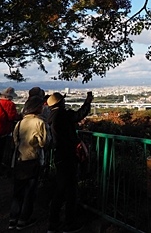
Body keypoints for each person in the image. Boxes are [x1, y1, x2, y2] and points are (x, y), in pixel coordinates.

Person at [46, 91, 93, 233]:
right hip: (68, 155)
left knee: (60, 190)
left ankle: (53, 223)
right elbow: (79, 115)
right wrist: (88, 101)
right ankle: (70, 223)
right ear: (60, 103)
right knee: (71, 190)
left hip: (59, 155)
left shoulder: (51, 116)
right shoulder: (62, 114)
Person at [8, 96, 50, 231]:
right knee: (30, 191)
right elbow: (44, 142)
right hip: (33, 159)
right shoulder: (40, 123)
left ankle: (13, 218)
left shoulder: (19, 123)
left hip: (19, 159)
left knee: (18, 191)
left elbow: (14, 141)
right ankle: (23, 219)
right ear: (38, 108)